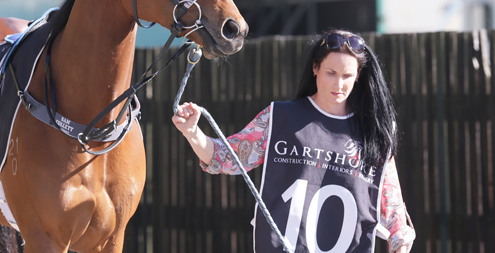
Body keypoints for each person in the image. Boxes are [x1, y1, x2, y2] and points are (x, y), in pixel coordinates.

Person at [173, 30, 415, 253]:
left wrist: (401, 244)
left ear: (358, 77)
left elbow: (392, 208)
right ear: (315, 68)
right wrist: (192, 132)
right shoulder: (279, 117)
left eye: (347, 76)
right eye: (331, 73)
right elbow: (225, 158)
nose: (338, 84)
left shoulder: (374, 132)